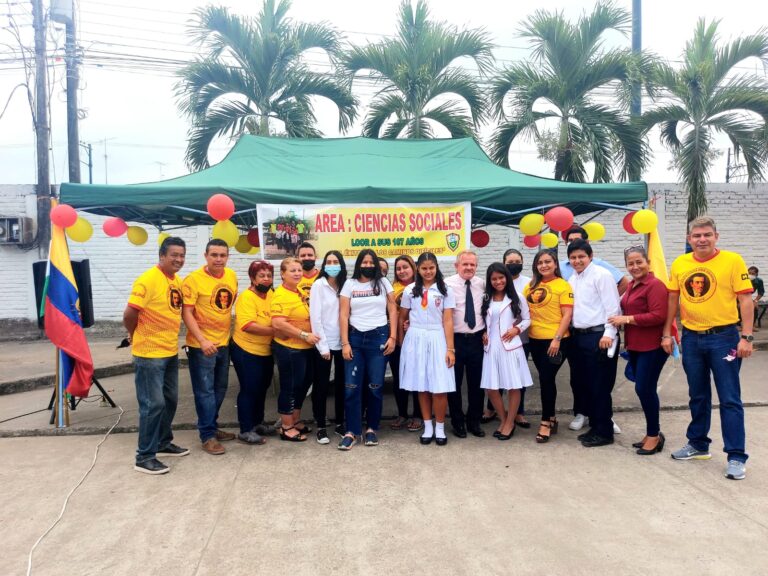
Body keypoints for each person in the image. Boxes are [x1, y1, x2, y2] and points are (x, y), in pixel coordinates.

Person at [663, 216, 754, 480]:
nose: (702, 239)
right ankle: (698, 444)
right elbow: (673, 298)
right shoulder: (681, 263)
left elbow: (745, 300)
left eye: (707, 235)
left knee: (729, 398)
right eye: (696, 235)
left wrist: (746, 337)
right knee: (698, 395)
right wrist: (667, 333)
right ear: (689, 239)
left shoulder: (732, 261)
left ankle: (736, 456)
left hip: (724, 338)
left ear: (716, 236)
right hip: (691, 338)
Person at [124, 237, 189, 475]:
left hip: (169, 350)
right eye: (174, 255)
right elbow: (130, 313)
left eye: (182, 255)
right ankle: (144, 456)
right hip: (149, 353)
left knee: (170, 400)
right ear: (162, 255)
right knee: (153, 404)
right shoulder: (148, 280)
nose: (179, 259)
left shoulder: (176, 281)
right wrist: (134, 334)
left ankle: (162, 442)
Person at [560, 225, 627, 433]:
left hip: (599, 336)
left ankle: (603, 429)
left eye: (581, 256)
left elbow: (612, 307)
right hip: (579, 337)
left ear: (590, 255)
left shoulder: (601, 275)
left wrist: (608, 333)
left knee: (600, 384)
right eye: (573, 257)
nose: (577, 261)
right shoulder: (573, 278)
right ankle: (594, 423)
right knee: (583, 380)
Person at [608, 246, 669, 455]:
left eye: (639, 262)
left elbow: (658, 315)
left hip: (652, 346)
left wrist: (627, 319)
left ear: (648, 262)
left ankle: (654, 434)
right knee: (643, 388)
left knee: (644, 389)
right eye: (630, 263)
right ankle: (651, 433)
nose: (635, 267)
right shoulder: (633, 285)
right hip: (635, 344)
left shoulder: (655, 285)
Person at [182, 239, 238, 456]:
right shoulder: (193, 280)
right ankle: (207, 436)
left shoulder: (231, 276)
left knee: (220, 388)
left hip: (224, 343)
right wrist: (202, 340)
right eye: (214, 255)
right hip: (201, 346)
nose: (218, 259)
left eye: (222, 255)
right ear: (206, 255)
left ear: (227, 257)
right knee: (204, 391)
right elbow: (186, 312)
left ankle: (211, 426)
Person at [338, 249, 397, 450]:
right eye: (365, 262)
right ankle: (352, 431)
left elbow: (392, 310)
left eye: (372, 262)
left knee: (375, 387)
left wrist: (393, 336)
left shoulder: (383, 283)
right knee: (351, 387)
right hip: (355, 339)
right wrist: (345, 343)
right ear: (359, 264)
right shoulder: (349, 284)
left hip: (378, 339)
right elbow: (343, 315)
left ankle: (372, 428)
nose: (369, 265)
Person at [398, 252, 456, 446]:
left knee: (439, 386)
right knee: (422, 385)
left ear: (436, 267)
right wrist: (402, 338)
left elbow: (448, 320)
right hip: (416, 338)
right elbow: (402, 316)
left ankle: (440, 427)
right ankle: (428, 426)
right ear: (418, 269)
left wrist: (450, 349)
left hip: (437, 337)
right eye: (424, 268)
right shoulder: (409, 290)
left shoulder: (445, 289)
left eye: (431, 267)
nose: (428, 271)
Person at [523, 249, 573, 443]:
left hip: (556, 341)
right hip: (535, 339)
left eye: (547, 262)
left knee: (546, 378)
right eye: (540, 262)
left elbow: (567, 315)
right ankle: (552, 418)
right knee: (546, 379)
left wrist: (557, 339)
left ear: (555, 264)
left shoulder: (563, 285)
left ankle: (545, 423)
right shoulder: (530, 286)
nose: (544, 265)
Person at [480, 262, 533, 440]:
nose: (498, 281)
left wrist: (517, 329)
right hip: (491, 347)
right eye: (494, 279)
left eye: (501, 277)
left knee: (513, 385)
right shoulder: (486, 297)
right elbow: (483, 321)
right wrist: (484, 333)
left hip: (510, 346)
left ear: (507, 278)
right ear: (489, 281)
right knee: (491, 387)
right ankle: (503, 419)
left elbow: (527, 319)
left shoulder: (517, 297)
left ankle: (510, 423)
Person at [271, 257, 321, 442]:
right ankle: (286, 427)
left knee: (303, 384)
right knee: (290, 387)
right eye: (292, 270)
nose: (298, 273)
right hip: (290, 349)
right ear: (283, 274)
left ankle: (295, 419)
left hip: (304, 348)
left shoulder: (298, 291)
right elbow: (277, 322)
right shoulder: (281, 295)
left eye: (299, 270)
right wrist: (303, 334)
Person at [230, 260, 275, 446]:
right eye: (261, 276)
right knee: (249, 389)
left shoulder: (271, 294)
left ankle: (258, 423)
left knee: (262, 387)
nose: (266, 279)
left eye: (269, 276)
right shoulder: (246, 298)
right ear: (252, 278)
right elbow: (248, 325)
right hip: (246, 350)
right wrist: (277, 331)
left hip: (265, 350)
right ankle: (245, 429)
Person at [445, 251, 486, 438]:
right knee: (454, 384)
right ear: (456, 266)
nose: (469, 268)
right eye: (465, 264)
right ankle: (457, 422)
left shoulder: (481, 284)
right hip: (456, 340)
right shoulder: (446, 285)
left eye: (472, 265)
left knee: (476, 384)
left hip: (477, 340)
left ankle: (474, 421)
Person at [309, 250, 347, 444]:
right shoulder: (318, 285)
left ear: (341, 264)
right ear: (324, 265)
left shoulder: (345, 285)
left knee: (341, 384)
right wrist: (323, 347)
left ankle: (340, 422)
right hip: (324, 343)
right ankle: (321, 425)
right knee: (322, 386)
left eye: (336, 261)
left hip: (343, 343)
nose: (332, 264)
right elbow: (315, 317)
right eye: (329, 261)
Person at [390, 254, 422, 432]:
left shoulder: (421, 287)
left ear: (413, 268)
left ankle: (418, 415)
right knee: (399, 378)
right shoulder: (391, 288)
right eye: (398, 268)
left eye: (405, 267)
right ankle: (402, 414)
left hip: (417, 340)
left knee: (417, 378)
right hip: (398, 340)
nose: (402, 271)